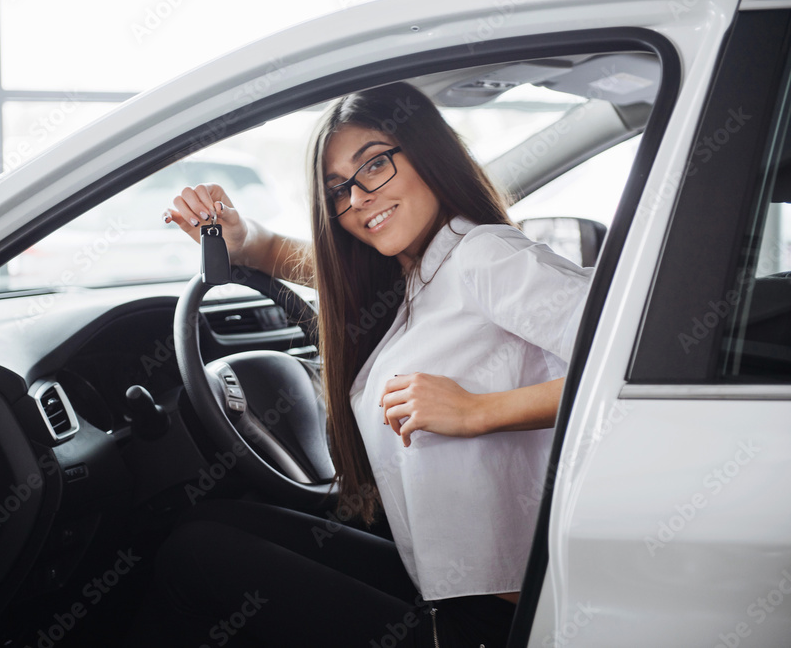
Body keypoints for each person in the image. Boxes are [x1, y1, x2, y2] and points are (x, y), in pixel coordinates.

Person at [131, 82, 593, 647]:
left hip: (492, 623)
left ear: (427, 151)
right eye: (338, 190)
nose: (358, 199)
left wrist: (479, 411)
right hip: (444, 588)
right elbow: (329, 270)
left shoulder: (488, 255)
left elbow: (632, 366)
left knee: (195, 556)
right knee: (216, 525)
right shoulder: (421, 269)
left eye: (374, 165)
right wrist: (245, 239)